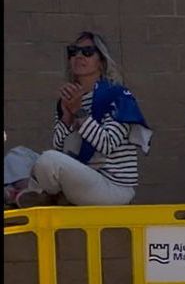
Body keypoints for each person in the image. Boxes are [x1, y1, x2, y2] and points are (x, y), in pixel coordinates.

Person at [14, 31, 151, 208]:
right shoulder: (69, 97)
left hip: (112, 188)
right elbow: (59, 148)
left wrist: (79, 111)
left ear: (101, 62)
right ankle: (50, 196)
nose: (79, 56)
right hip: (80, 178)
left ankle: (44, 195)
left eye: (87, 52)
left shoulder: (118, 96)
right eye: (73, 51)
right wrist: (66, 117)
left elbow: (107, 144)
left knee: (49, 160)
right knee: (17, 157)